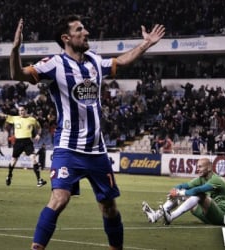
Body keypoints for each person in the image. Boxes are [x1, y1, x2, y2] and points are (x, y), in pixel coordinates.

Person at [10, 15, 165, 250]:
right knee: (59, 199)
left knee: (109, 207)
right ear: (66, 38)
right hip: (68, 148)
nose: (87, 32)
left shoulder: (94, 61)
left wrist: (147, 43)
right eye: (80, 30)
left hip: (97, 150)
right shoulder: (54, 64)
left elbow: (121, 62)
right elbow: (18, 75)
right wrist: (15, 50)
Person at [142, 158, 225, 226]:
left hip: (221, 217)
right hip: (207, 216)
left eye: (200, 167)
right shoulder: (201, 179)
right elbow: (184, 185)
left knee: (199, 195)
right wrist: (174, 190)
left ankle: (171, 217)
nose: (197, 169)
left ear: (209, 168)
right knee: (185, 193)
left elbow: (199, 190)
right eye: (197, 167)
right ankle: (156, 216)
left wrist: (180, 193)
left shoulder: (217, 180)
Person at [0, 104, 47, 187]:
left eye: (22, 110)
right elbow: (3, 115)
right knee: (13, 161)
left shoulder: (32, 119)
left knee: (34, 159)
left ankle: (39, 180)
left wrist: (38, 134)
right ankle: (9, 175)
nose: (21, 112)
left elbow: (39, 128)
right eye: (19, 111)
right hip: (18, 142)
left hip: (28, 142)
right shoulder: (15, 118)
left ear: (26, 110)